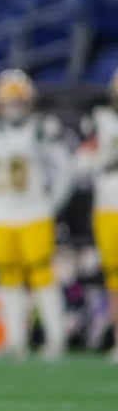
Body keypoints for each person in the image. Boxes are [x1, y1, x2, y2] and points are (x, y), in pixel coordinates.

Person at [0, 68, 72, 359]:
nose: (13, 107)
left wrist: (50, 203)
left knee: (42, 275)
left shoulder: (41, 128)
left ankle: (55, 339)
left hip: (34, 212)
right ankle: (15, 341)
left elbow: (63, 170)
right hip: (0, 214)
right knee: (7, 277)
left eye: (18, 101)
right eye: (8, 102)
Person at [79, 69, 118, 362]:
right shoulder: (99, 120)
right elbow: (82, 165)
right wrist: (104, 159)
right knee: (114, 277)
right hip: (109, 204)